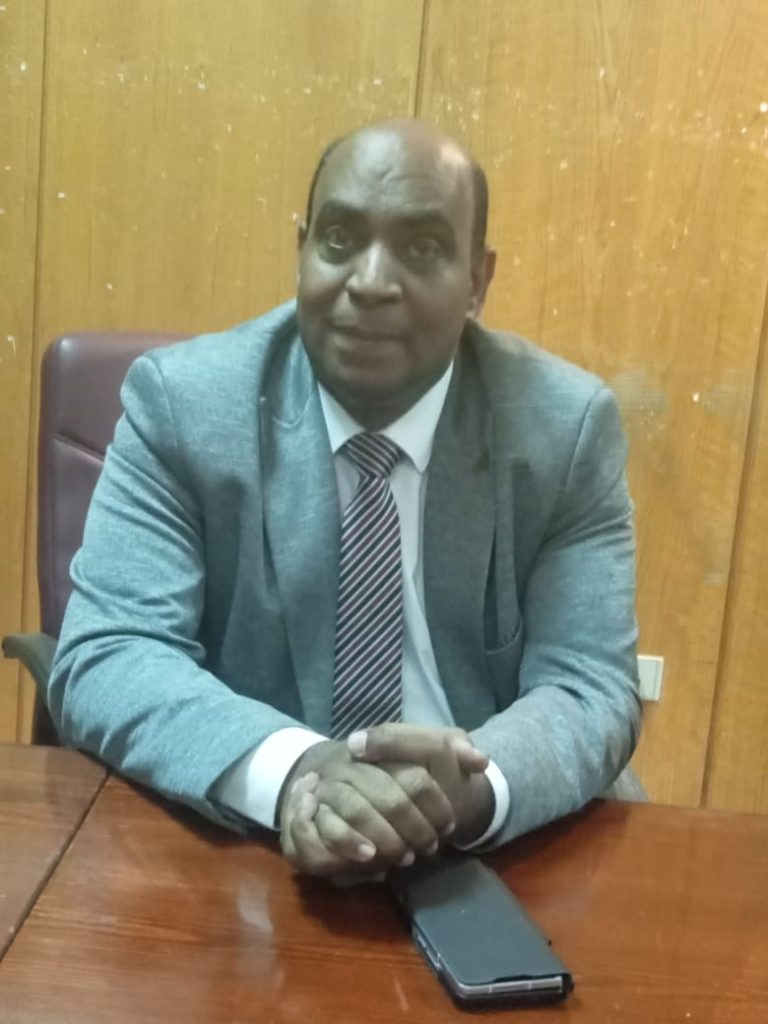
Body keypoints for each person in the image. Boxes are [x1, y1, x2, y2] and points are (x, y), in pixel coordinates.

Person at [47, 118, 642, 879]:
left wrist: (469, 788)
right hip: (253, 846)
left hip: (491, 851)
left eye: (421, 248)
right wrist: (299, 771)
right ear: (302, 251)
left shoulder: (563, 429)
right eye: (338, 239)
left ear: (477, 281)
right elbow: (111, 652)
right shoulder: (185, 407)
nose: (369, 281)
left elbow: (588, 684)